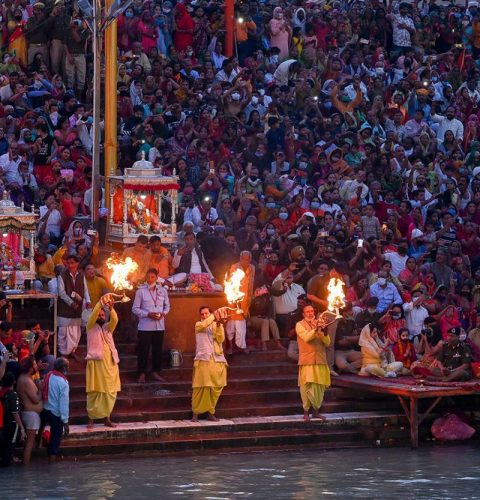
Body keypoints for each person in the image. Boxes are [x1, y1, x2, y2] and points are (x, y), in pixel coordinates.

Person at [85, 293, 120, 429]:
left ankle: (107, 418)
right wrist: (101, 302)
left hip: (110, 366)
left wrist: (111, 308)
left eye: (102, 315)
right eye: (99, 315)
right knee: (95, 392)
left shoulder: (108, 328)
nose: (100, 317)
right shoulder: (90, 327)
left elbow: (115, 320)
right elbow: (93, 314)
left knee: (110, 393)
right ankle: (91, 419)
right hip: (96, 366)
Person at [132, 268, 170, 384]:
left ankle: (155, 372)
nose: (150, 279)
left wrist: (163, 313)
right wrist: (148, 314)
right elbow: (135, 309)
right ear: (145, 277)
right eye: (148, 277)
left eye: (152, 277)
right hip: (145, 326)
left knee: (157, 350)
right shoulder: (140, 291)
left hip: (159, 326)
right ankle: (142, 373)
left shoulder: (163, 290)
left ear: (156, 278)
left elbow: (167, 306)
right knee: (143, 350)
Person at [191, 305, 229, 422]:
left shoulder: (216, 324)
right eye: (202, 314)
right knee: (201, 387)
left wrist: (218, 324)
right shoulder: (198, 325)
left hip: (217, 360)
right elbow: (204, 324)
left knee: (216, 387)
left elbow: (220, 339)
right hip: (203, 360)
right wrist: (214, 316)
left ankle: (211, 413)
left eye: (206, 313)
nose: (204, 315)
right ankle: (195, 414)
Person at [295, 304, 330, 422]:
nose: (310, 313)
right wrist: (316, 329)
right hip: (307, 361)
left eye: (311, 311)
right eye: (307, 312)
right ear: (303, 314)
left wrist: (324, 332)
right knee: (307, 388)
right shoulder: (299, 325)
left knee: (319, 388)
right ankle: (306, 412)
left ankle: (316, 412)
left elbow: (327, 342)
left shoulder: (319, 323)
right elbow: (306, 337)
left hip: (320, 360)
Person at [57, 254, 91, 360]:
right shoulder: (61, 276)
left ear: (77, 263)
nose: (70, 265)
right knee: (64, 333)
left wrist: (88, 301)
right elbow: (61, 293)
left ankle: (72, 351)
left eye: (72, 263)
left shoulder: (81, 275)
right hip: (65, 309)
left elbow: (85, 290)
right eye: (68, 263)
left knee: (76, 332)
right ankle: (63, 353)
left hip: (78, 309)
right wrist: (71, 303)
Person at [225, 251, 255, 355]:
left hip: (246, 300)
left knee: (242, 324)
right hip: (234, 300)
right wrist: (235, 299)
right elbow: (231, 283)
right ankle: (231, 347)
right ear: (240, 258)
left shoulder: (252, 268)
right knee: (231, 324)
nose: (246, 261)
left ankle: (241, 346)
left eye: (248, 259)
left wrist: (251, 297)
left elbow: (251, 283)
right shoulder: (234, 267)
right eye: (244, 259)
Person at [42, 357, 70, 462]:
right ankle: (52, 462)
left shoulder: (49, 375)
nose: (69, 368)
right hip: (55, 413)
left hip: (45, 409)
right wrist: (66, 423)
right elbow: (63, 404)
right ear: (63, 368)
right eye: (67, 366)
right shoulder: (63, 382)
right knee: (55, 438)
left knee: (49, 434)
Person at [16, 356, 43, 465]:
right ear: (30, 368)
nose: (37, 366)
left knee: (29, 442)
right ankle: (26, 468)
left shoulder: (25, 378)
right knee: (29, 443)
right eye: (35, 365)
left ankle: (26, 465)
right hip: (30, 415)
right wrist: (40, 388)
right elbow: (36, 400)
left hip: (30, 414)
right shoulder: (25, 380)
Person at [0, 372, 25, 467]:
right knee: (9, 446)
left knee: (3, 445)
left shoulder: (1, 393)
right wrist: (22, 428)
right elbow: (15, 412)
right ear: (14, 382)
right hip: (11, 423)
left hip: (2, 423)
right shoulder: (13, 395)